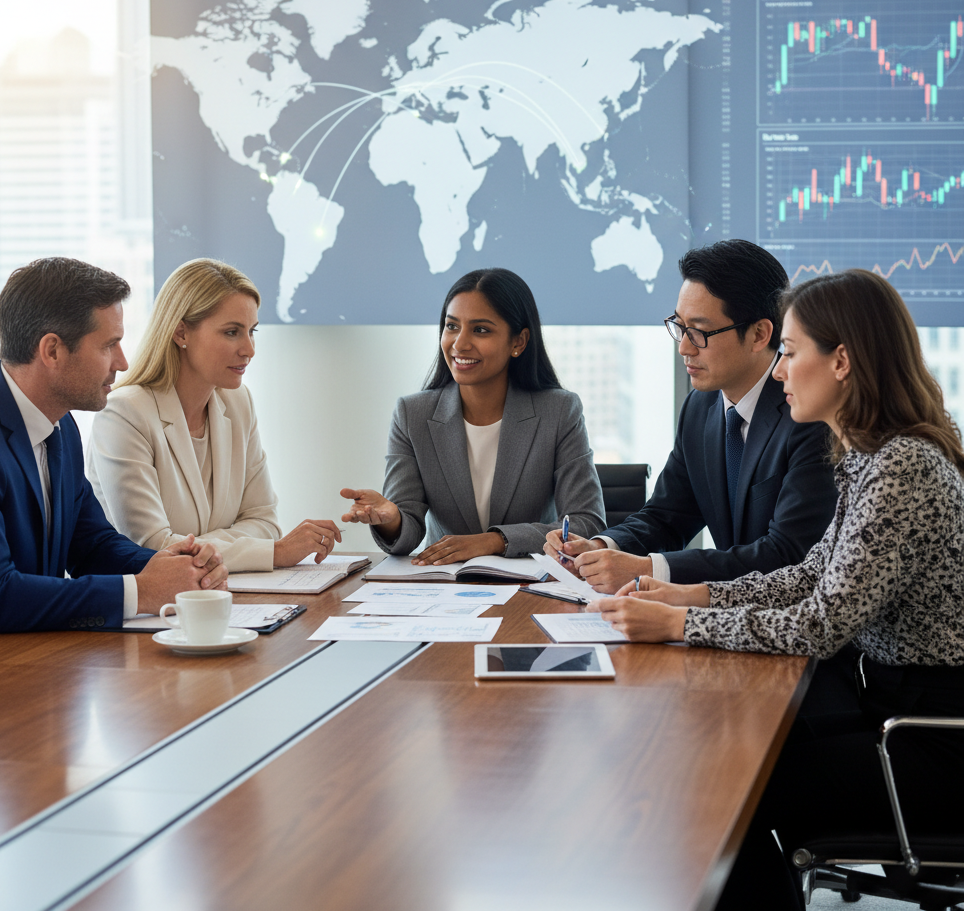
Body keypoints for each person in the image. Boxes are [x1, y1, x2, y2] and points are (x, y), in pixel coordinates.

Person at [592, 269, 964, 909]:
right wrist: (687, 597)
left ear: (841, 361)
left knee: (726, 783)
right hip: (900, 717)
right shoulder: (873, 454)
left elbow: (820, 623)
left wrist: (681, 626)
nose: (781, 371)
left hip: (931, 742)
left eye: (790, 353)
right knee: (722, 751)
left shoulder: (900, 466)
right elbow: (808, 573)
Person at [0, 257, 227, 657]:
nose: (123, 362)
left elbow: (90, 544)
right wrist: (141, 590)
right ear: (52, 350)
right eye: (109, 345)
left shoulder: (61, 425)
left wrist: (170, 565)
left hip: (35, 666)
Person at [545, 239, 838, 592]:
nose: (684, 347)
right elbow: (668, 515)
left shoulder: (810, 414)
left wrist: (651, 569)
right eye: (679, 326)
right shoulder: (701, 407)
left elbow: (789, 554)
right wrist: (601, 547)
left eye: (699, 332)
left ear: (760, 334)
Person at [87, 258, 343, 570]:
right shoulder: (125, 413)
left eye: (252, 331)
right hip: (153, 609)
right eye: (232, 332)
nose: (249, 349)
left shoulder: (238, 402)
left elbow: (264, 520)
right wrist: (272, 552)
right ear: (181, 332)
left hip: (225, 591)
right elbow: (155, 547)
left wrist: (203, 544)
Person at [341, 267, 605, 563]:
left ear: (518, 342)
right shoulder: (412, 414)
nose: (459, 343)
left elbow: (586, 524)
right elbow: (407, 531)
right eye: (452, 326)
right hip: (445, 587)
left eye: (481, 330)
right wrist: (391, 518)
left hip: (529, 585)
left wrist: (493, 541)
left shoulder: (559, 411)